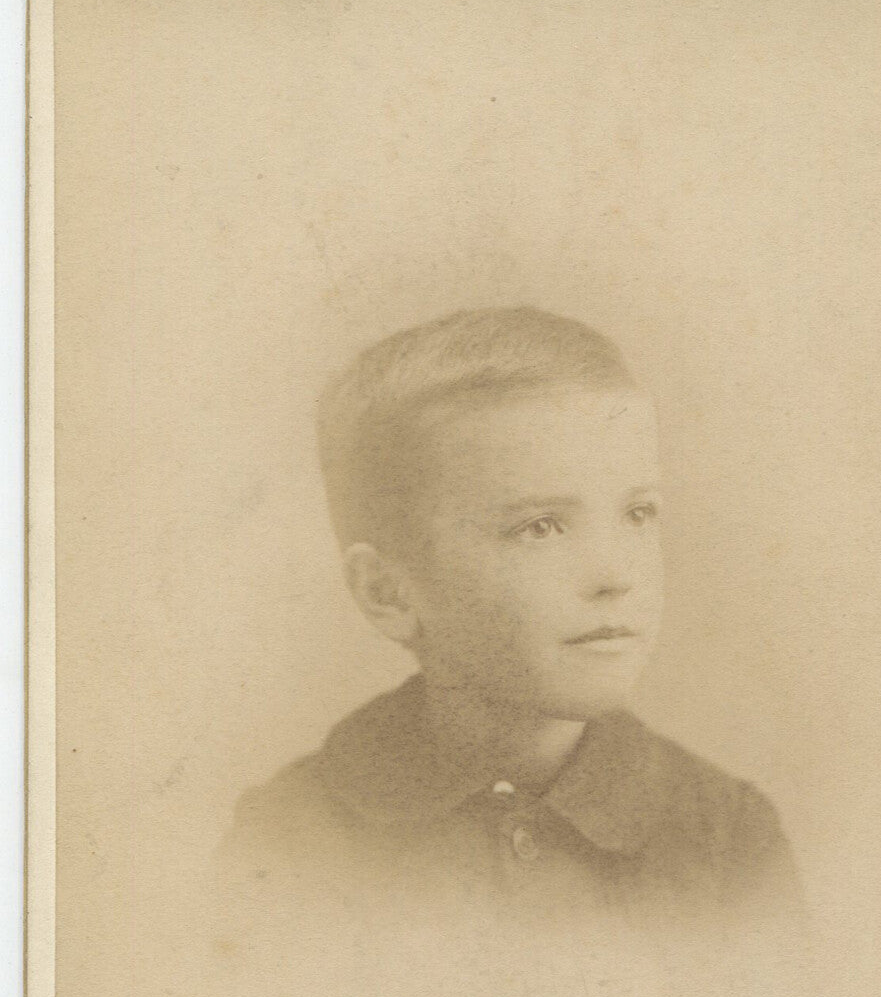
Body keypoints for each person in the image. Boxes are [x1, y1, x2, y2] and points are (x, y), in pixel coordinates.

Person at [219, 306, 803, 945]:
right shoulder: (295, 839)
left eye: (638, 514)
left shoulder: (723, 839)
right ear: (388, 592)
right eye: (541, 527)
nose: (615, 576)